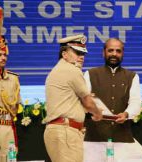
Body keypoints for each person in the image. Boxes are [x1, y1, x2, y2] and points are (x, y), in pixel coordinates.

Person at [83, 38, 142, 162]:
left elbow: (136, 102)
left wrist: (126, 114)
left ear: (122, 54)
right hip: (95, 138)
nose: (114, 54)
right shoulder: (90, 74)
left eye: (118, 51)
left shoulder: (132, 76)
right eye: (110, 50)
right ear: (103, 52)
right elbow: (84, 101)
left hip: (122, 137)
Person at [43, 34, 102, 162]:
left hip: (61, 131)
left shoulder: (58, 70)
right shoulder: (72, 70)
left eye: (83, 53)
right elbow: (87, 102)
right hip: (65, 131)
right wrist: (98, 113)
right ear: (64, 54)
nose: (81, 56)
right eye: (76, 52)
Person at [0, 35, 21, 162]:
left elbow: (16, 106)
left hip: (8, 128)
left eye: (5, 55)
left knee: (11, 159)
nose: (3, 58)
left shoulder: (13, 78)